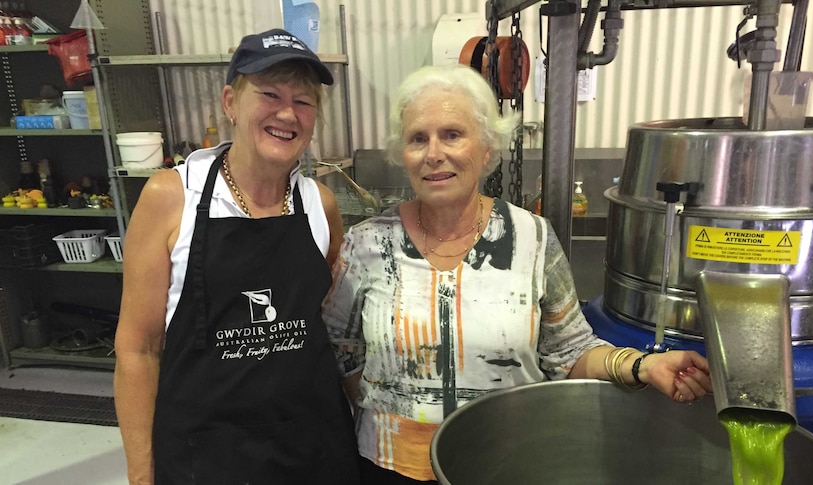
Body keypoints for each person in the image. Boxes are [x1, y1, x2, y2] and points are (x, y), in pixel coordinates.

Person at [321, 64, 712, 484]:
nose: (434, 153)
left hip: (506, 461)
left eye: (452, 134)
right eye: (418, 138)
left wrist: (644, 366)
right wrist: (396, 409)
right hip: (390, 468)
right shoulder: (366, 244)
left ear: (487, 148)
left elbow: (571, 351)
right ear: (403, 154)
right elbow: (340, 351)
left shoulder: (531, 237)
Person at [113, 29, 360, 484]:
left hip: (313, 449)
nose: (287, 113)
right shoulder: (173, 196)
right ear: (230, 102)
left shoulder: (319, 205)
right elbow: (137, 349)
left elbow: (332, 328)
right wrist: (140, 473)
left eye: (303, 101)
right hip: (205, 455)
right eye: (269, 94)